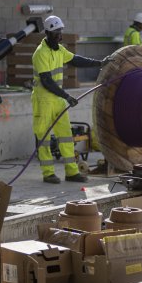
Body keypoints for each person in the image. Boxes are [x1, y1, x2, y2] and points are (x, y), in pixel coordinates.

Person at [32, 15, 109, 184]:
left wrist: (99, 63)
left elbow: (76, 60)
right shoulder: (40, 53)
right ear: (47, 33)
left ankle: (71, 172)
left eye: (60, 32)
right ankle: (48, 173)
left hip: (58, 99)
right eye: (55, 32)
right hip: (43, 99)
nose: (59, 36)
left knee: (66, 136)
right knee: (43, 137)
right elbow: (46, 81)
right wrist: (67, 96)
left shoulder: (60, 50)